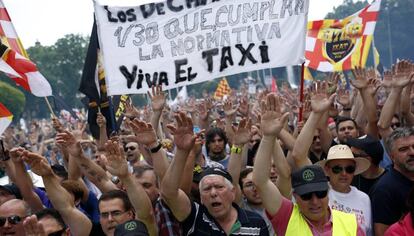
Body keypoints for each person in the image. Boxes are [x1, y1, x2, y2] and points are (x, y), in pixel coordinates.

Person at [252, 93, 365, 235]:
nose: (315, 201)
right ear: (295, 197)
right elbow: (260, 181)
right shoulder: (286, 217)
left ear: (328, 191)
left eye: (320, 193)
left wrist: (316, 114)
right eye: (306, 196)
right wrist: (268, 137)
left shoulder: (352, 224)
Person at [161, 112, 269, 235]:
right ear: (201, 198)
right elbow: (169, 193)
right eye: (207, 189)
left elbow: (234, 175)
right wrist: (182, 151)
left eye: (219, 187)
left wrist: (238, 145)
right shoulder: (195, 217)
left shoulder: (255, 222)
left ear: (233, 192)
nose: (213, 193)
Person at [317, 144, 372, 235]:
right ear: (327, 170)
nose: (344, 173)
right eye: (337, 169)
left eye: (349, 169)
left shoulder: (364, 198)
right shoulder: (319, 194)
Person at [370, 127, 414, 236]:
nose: (412, 152)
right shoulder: (384, 190)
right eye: (404, 149)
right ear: (391, 157)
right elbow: (383, 233)